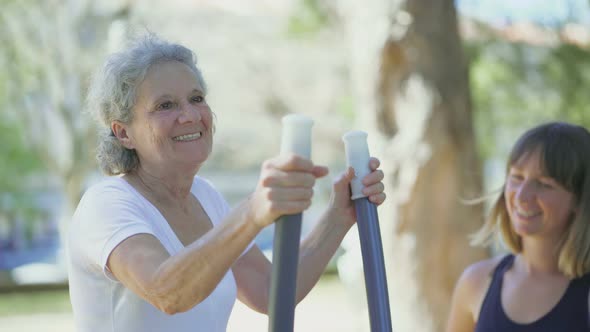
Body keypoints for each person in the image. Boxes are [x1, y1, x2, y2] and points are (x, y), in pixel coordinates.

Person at [66, 33, 387, 332]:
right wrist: (251, 212)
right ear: (123, 133)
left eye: (196, 98)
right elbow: (167, 292)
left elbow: (270, 290)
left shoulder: (205, 196)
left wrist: (338, 216)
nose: (190, 115)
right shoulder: (106, 205)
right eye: (166, 105)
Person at [445, 122, 590, 332]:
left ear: (579, 200)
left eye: (544, 184)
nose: (521, 196)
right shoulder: (475, 282)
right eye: (517, 177)